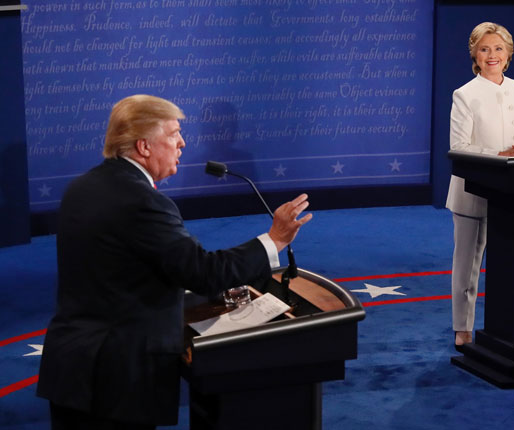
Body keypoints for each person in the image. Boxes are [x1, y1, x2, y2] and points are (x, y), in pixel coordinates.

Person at [36, 94, 312, 429]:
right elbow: (204, 273)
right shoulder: (142, 201)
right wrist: (275, 239)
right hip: (117, 379)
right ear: (144, 146)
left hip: (74, 366)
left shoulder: (82, 187)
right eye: (172, 134)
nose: (182, 143)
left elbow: (120, 269)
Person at [446, 22, 514, 347]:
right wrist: (500, 153)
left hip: (513, 194)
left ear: (509, 53)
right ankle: (463, 328)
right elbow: (459, 146)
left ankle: (508, 328)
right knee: (468, 266)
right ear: (474, 53)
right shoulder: (465, 94)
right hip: (473, 191)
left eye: (498, 49)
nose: (492, 55)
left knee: (510, 266)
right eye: (485, 49)